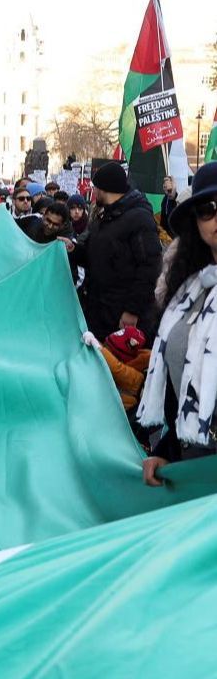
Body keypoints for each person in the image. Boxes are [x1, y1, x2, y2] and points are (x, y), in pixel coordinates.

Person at [138, 163, 217, 482]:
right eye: (208, 209)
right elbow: (180, 384)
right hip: (195, 463)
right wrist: (167, 451)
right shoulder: (189, 289)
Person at [70, 161, 161, 341]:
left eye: (96, 188)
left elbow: (149, 267)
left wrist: (132, 310)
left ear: (105, 188)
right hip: (100, 309)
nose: (93, 192)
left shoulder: (139, 218)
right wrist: (73, 250)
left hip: (122, 315)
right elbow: (94, 256)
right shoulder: (105, 217)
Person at [160, 175, 179, 239]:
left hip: (174, 234)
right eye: (164, 182)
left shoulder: (176, 198)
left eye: (167, 181)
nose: (165, 184)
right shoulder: (165, 199)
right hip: (166, 235)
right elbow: (163, 217)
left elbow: (172, 195)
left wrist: (171, 190)